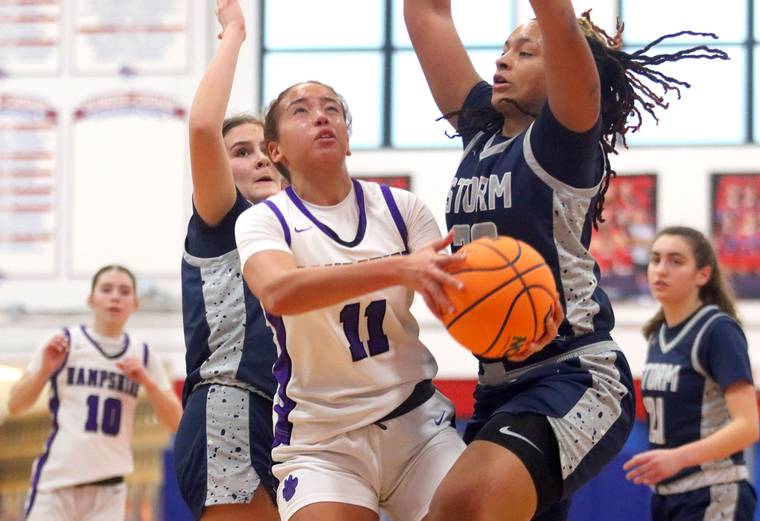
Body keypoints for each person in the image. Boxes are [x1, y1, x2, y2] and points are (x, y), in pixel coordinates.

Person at [404, 0, 730, 519]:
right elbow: (428, 15)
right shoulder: (482, 134)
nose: (505, 59)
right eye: (505, 49)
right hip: (496, 387)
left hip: (573, 375)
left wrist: (555, 30)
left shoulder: (564, 141)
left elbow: (557, 18)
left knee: (459, 507)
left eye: (526, 52)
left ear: (563, 70)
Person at [234, 79, 466, 521]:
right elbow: (280, 292)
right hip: (323, 437)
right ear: (275, 151)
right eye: (300, 111)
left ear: (347, 141)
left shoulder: (403, 208)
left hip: (416, 424)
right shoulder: (263, 221)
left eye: (332, 109)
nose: (321, 116)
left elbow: (455, 299)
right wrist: (395, 268)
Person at [173, 1, 286, 520]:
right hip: (230, 404)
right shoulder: (226, 218)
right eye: (241, 152)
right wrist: (234, 34)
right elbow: (202, 128)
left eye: (266, 150)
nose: (259, 158)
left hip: (293, 417)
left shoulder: (301, 233)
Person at [7, 265, 182, 521]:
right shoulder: (63, 342)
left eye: (124, 291)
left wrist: (149, 383)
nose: (114, 297)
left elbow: (176, 422)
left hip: (108, 489)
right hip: (56, 484)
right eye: (106, 289)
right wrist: (44, 370)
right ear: (90, 299)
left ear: (135, 304)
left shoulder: (143, 353)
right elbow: (15, 405)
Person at [623, 226, 760, 521]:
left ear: (703, 275)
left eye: (675, 261)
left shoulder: (718, 330)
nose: (661, 270)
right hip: (666, 496)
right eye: (655, 259)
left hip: (714, 491)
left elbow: (749, 426)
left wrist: (678, 458)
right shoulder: (658, 335)